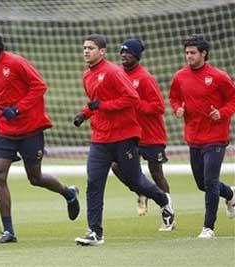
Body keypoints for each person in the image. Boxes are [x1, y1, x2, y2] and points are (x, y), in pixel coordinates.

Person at [0, 32, 80, 243]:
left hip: (30, 128)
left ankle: (68, 193)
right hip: (5, 131)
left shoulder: (16, 62)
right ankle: (8, 231)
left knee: (35, 178)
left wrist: (18, 109)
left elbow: (40, 86)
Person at [73, 34, 175, 246]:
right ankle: (95, 232)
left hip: (124, 137)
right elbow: (95, 103)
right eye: (84, 47)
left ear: (102, 51)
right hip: (100, 138)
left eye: (90, 48)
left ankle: (163, 199)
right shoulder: (87, 76)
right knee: (93, 182)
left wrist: (102, 106)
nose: (85, 51)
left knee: (136, 181)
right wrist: (84, 114)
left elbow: (131, 98)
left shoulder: (113, 72)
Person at [169, 34, 235, 239]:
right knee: (202, 184)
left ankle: (208, 227)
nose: (188, 56)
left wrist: (221, 113)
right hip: (193, 137)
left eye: (193, 53)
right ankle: (231, 194)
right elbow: (174, 97)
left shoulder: (219, 76)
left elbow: (232, 99)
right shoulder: (180, 76)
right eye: (187, 52)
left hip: (216, 136)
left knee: (210, 180)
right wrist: (177, 109)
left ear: (203, 54)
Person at [110, 39, 171, 216]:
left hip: (151, 134)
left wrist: (134, 104)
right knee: (116, 166)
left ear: (136, 56)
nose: (123, 55)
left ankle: (167, 210)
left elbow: (159, 107)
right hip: (128, 133)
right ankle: (141, 192)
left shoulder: (145, 78)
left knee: (156, 173)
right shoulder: (117, 74)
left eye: (127, 52)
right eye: (121, 52)